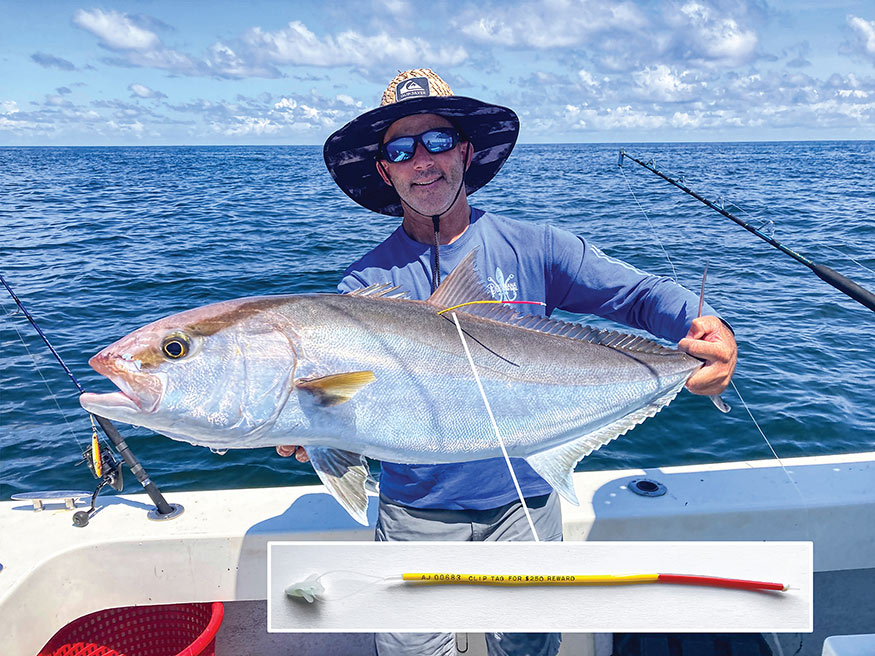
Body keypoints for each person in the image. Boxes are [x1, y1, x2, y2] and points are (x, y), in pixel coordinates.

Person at [278, 68, 737, 656]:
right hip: (416, 509)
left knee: (526, 642)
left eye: (438, 141)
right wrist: (311, 423)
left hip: (526, 498)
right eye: (401, 148)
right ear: (384, 170)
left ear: (465, 151)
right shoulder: (365, 283)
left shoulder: (538, 246)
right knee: (409, 648)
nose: (423, 161)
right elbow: (355, 398)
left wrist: (706, 330)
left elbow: (640, 296)